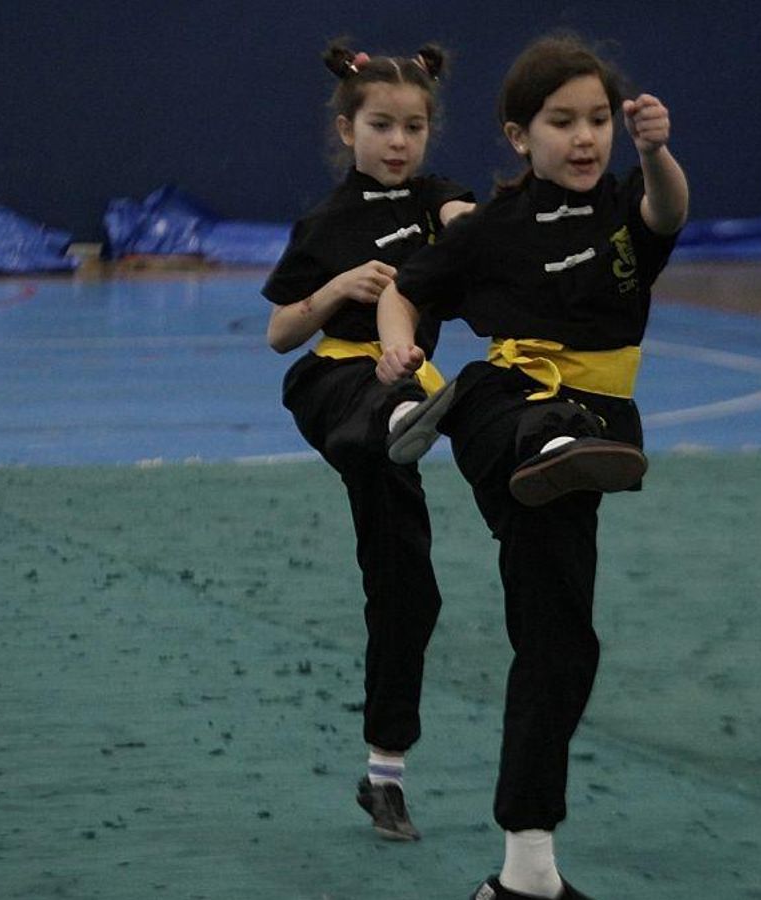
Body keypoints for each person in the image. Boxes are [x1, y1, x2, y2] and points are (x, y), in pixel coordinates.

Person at [374, 33, 688, 900]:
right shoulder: (490, 231)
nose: (585, 138)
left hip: (593, 446)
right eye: (562, 122)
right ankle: (447, 414)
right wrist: (394, 351)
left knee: (561, 648)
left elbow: (670, 212)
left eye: (598, 121)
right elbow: (404, 290)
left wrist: (658, 153)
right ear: (519, 136)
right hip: (507, 414)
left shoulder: (627, 207)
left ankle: (525, 878)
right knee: (520, 409)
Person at [262, 38, 476, 843]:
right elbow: (281, 332)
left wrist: (472, 223)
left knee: (408, 593)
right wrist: (335, 289)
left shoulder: (438, 200)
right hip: (336, 384)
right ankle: (396, 423)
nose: (398, 142)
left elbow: (467, 222)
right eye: (381, 125)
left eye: (413, 128)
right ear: (347, 130)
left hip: (410, 391)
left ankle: (385, 776)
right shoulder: (325, 221)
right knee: (379, 406)